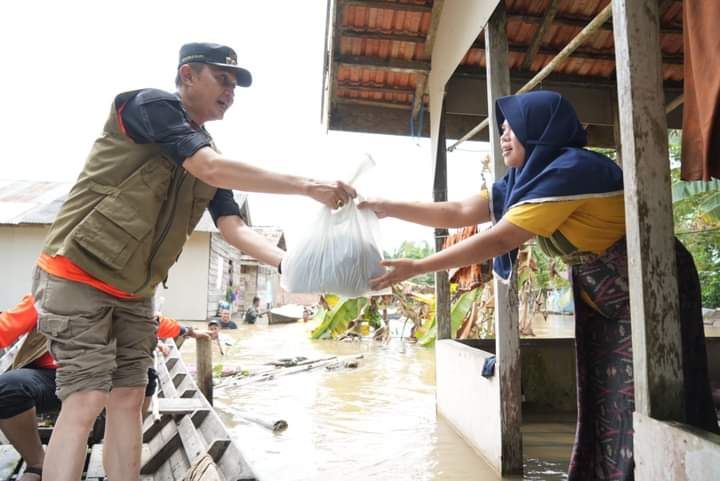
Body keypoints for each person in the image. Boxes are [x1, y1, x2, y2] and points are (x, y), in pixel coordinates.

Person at [31, 41, 356, 481]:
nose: (231, 92)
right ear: (187, 75)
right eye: (222, 79)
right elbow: (210, 169)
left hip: (135, 293)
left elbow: (234, 228)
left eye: (235, 84)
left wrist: (293, 266)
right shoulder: (151, 107)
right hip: (77, 276)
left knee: (130, 396)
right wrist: (308, 185)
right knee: (86, 398)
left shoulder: (210, 150)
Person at [361, 90, 719, 481]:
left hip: (653, 287)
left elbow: (499, 239)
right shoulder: (523, 181)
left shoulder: (571, 170)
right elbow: (459, 211)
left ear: (541, 128)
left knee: (649, 393)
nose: (503, 136)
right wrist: (387, 207)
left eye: (512, 127)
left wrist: (417, 267)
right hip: (606, 298)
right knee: (605, 392)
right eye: (501, 129)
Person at [0, 294, 211, 481]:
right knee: (8, 387)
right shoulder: (48, 294)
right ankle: (38, 463)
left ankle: (120, 456)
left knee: (144, 376)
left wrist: (188, 331)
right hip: (52, 375)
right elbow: (5, 327)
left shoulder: (122, 296)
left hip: (109, 377)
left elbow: (153, 321)